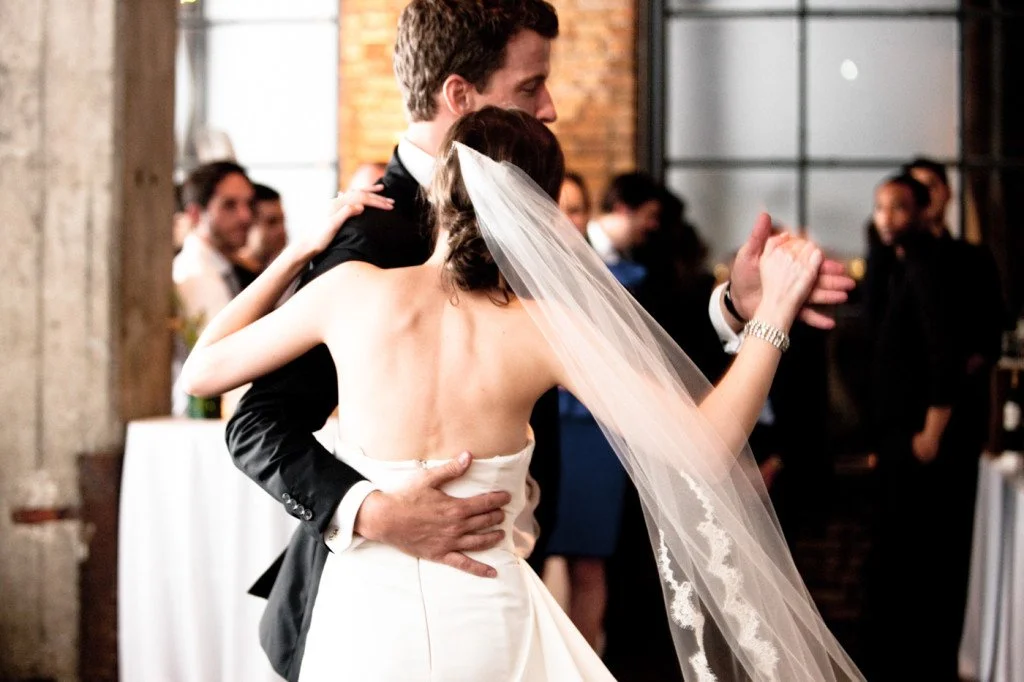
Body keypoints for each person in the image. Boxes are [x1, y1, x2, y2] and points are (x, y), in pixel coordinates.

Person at [223, 1, 856, 678]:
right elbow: (256, 423)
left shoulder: (509, 208)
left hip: (497, 586)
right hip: (377, 607)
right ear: (460, 96)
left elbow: (618, 343)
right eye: (530, 86)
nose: (550, 108)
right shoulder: (370, 237)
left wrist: (735, 308)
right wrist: (372, 511)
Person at [862, 173, 960, 680]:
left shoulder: (927, 267)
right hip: (893, 434)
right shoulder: (892, 266)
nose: (886, 217)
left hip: (918, 438)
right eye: (880, 207)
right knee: (892, 556)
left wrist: (932, 432)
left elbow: (946, 354)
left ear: (923, 212)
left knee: (915, 559)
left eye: (898, 207)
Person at [171, 160, 254, 415]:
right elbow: (229, 359)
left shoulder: (227, 267)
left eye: (248, 204)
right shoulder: (195, 273)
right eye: (230, 205)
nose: (245, 216)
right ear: (196, 214)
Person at [235, 183, 288, 280]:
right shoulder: (232, 278)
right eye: (272, 222)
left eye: (283, 220)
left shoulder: (275, 274)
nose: (282, 230)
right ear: (247, 224)